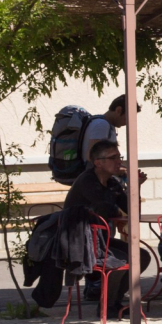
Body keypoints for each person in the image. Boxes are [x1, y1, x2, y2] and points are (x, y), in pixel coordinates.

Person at [62, 139, 151, 306]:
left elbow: (132, 210)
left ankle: (114, 300)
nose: (119, 161)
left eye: (119, 156)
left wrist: (135, 186)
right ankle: (108, 305)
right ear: (98, 163)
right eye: (113, 157)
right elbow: (104, 208)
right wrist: (116, 209)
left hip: (102, 241)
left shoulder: (112, 183)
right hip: (81, 243)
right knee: (121, 261)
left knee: (142, 256)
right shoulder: (87, 181)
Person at [80, 95, 133, 166]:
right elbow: (92, 157)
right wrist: (120, 171)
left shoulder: (108, 125)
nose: (128, 122)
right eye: (128, 117)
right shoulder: (102, 125)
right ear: (118, 110)